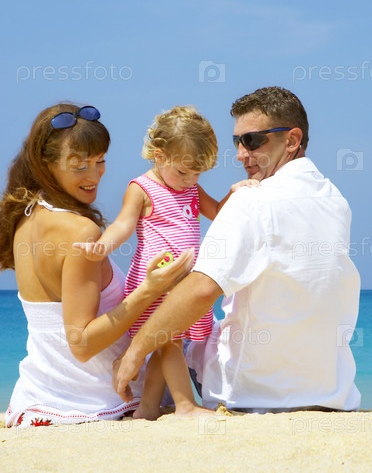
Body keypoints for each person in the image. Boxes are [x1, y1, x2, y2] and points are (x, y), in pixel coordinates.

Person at [113, 87, 362, 413]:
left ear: (291, 140)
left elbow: (202, 289)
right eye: (237, 142)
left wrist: (134, 351)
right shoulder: (336, 200)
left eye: (252, 140)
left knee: (168, 330)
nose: (241, 154)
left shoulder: (253, 200)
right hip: (330, 391)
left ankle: (149, 405)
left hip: (249, 391)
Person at [0, 103, 193, 428]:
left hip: (34, 400)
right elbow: (81, 344)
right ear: (45, 164)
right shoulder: (80, 232)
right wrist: (150, 290)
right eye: (79, 166)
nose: (94, 175)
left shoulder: (26, 218)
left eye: (100, 161)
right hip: (97, 403)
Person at [74, 105, 255, 420]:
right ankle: (185, 404)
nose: (190, 180)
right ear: (159, 156)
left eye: (197, 174)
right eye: (183, 172)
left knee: (167, 342)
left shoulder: (190, 188)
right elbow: (123, 225)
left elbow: (217, 212)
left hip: (183, 284)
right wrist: (102, 246)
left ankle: (147, 408)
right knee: (169, 341)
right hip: (156, 281)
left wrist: (234, 193)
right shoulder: (142, 188)